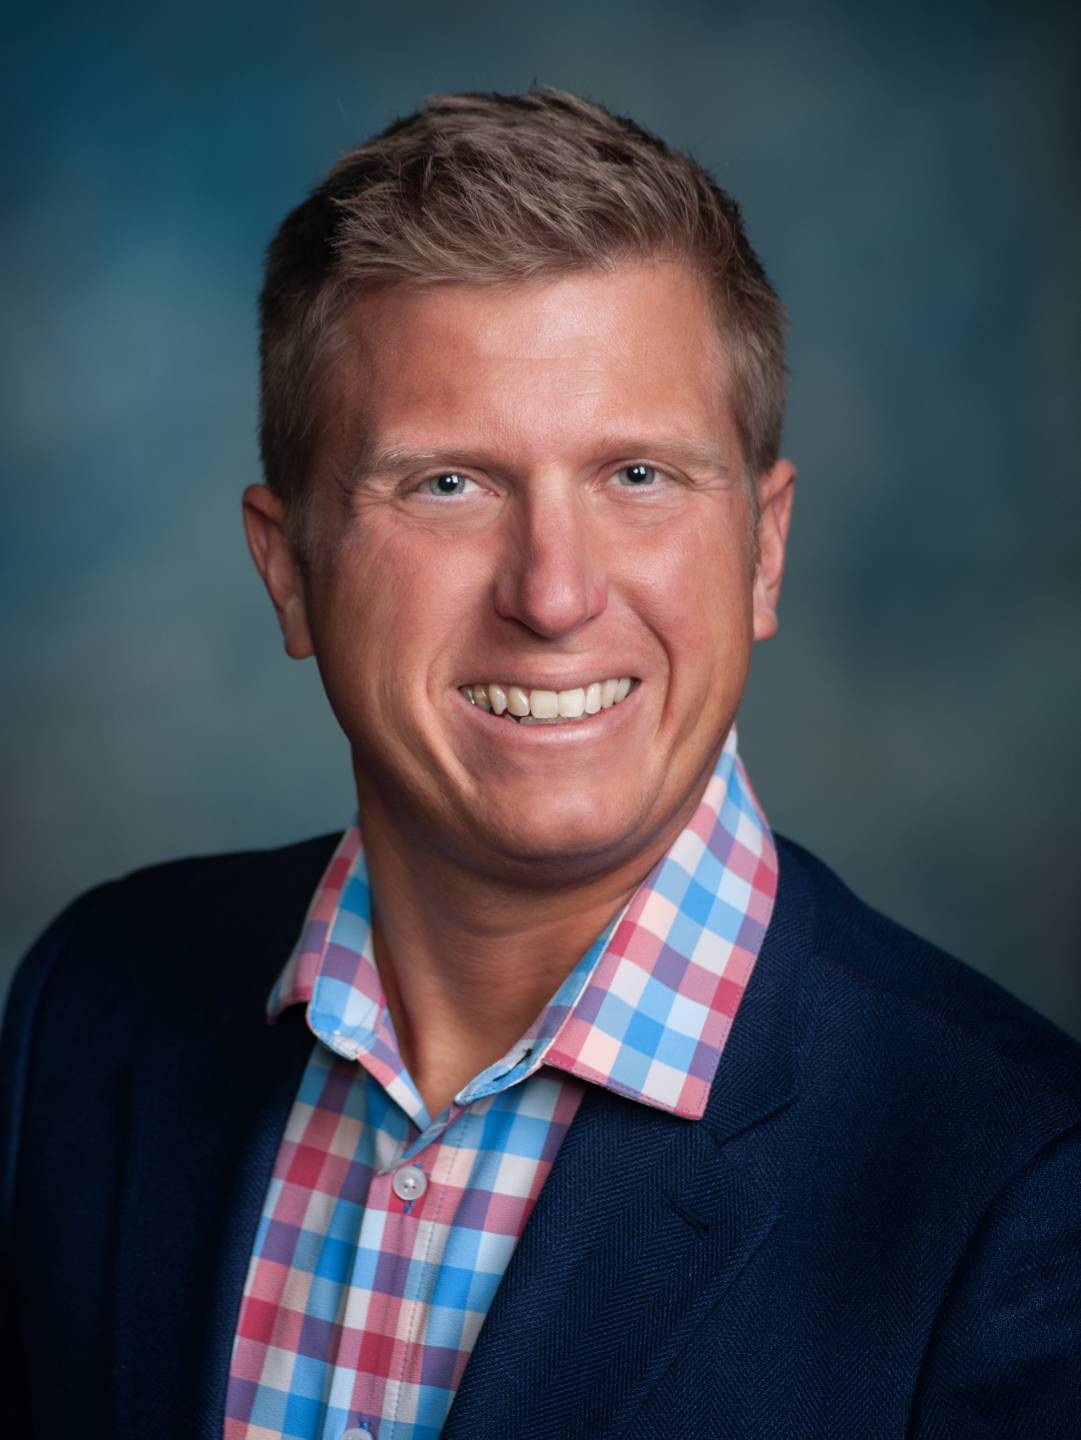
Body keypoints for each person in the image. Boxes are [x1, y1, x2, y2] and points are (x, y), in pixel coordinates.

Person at [2, 88, 1079, 1440]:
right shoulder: (92, 1004)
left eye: (638, 476)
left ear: (763, 549)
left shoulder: (1020, 1188)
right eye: (447, 484)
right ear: (288, 570)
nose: (554, 595)